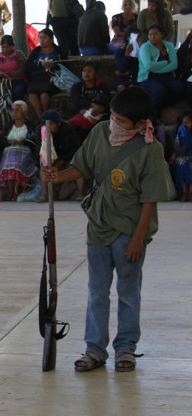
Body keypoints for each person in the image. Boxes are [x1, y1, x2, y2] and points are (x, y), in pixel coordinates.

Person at [42, 86, 175, 372]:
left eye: (122, 121)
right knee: (96, 291)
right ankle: (94, 349)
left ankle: (126, 348)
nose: (114, 123)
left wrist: (138, 238)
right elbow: (83, 166)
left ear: (140, 124)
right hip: (98, 227)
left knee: (128, 292)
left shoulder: (150, 150)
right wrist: (58, 176)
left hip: (129, 231)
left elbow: (150, 199)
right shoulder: (101, 132)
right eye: (112, 116)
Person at [36, 109, 83, 202]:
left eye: (51, 124)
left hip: (68, 158)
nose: (48, 127)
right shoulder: (40, 130)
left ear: (58, 124)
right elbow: (39, 148)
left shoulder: (68, 130)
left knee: (80, 165)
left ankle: (80, 193)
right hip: (51, 159)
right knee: (42, 167)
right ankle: (45, 195)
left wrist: (61, 161)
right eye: (45, 124)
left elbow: (75, 149)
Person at [138, 24, 184, 117]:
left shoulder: (169, 46)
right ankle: (153, 117)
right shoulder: (145, 47)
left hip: (166, 75)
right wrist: (165, 63)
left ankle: (163, 107)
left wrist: (158, 69)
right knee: (160, 91)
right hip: (148, 77)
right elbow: (149, 65)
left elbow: (174, 65)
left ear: (162, 34)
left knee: (180, 88)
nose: (153, 37)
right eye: (150, 34)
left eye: (155, 34)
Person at [0, 101, 38, 201]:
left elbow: (35, 140)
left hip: (24, 153)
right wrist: (9, 142)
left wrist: (24, 141)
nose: (14, 112)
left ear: (24, 112)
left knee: (16, 165)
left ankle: (14, 193)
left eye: (17, 110)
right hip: (9, 153)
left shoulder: (30, 126)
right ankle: (12, 193)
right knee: (11, 164)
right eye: (13, 110)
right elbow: (2, 141)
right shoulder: (8, 126)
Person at [26, 28, 68, 119]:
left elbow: (65, 64)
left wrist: (54, 65)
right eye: (40, 38)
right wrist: (40, 65)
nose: (41, 40)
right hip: (38, 78)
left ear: (51, 39)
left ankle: (45, 116)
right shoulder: (36, 51)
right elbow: (29, 66)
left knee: (44, 94)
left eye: (44, 38)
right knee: (32, 94)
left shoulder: (59, 51)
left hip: (52, 77)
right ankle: (42, 118)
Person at [0, 35, 27, 103]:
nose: (5, 49)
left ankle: (17, 111)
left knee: (18, 92)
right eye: (3, 47)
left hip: (18, 82)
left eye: (7, 47)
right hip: (4, 83)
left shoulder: (19, 55)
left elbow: (23, 71)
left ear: (12, 46)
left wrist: (12, 74)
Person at [171, 110, 192, 201]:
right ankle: (184, 192)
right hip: (181, 157)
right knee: (180, 166)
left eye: (187, 123)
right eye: (182, 123)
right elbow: (177, 147)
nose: (184, 125)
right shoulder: (177, 132)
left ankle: (191, 192)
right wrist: (175, 154)